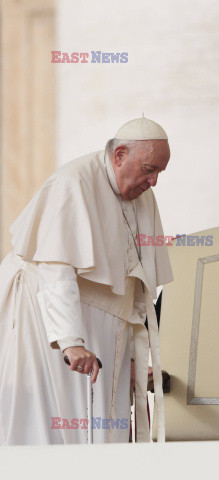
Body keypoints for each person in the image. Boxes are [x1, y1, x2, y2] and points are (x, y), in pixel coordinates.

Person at [0, 116, 173, 445]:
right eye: (149, 169)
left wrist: (138, 355)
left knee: (102, 429)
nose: (153, 182)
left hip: (105, 331)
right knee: (50, 424)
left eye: (159, 172)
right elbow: (56, 269)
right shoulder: (72, 183)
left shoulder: (141, 195)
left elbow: (140, 280)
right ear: (119, 154)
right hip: (49, 322)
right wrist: (70, 342)